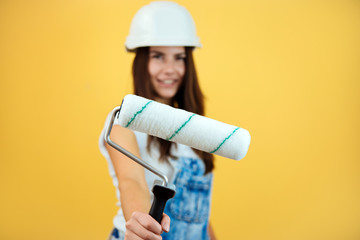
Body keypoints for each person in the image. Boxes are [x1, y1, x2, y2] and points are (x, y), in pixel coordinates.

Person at [99, 2, 217, 239]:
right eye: (158, 56)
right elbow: (131, 182)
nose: (170, 69)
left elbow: (199, 215)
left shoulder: (195, 127)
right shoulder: (123, 123)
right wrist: (142, 229)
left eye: (179, 58)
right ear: (142, 60)